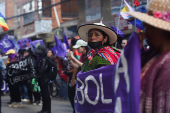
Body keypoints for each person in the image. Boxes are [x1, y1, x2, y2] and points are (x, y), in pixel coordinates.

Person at [128, 0, 170, 112]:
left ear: (158, 30)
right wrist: (137, 53)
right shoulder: (154, 56)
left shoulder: (168, 66)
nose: (144, 33)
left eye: (147, 27)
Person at [34, 45, 51, 113]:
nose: (37, 53)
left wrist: (37, 76)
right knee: (43, 95)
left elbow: (42, 70)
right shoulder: (41, 59)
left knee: (46, 95)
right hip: (41, 79)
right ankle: (44, 109)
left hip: (44, 79)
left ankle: (47, 110)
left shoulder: (44, 59)